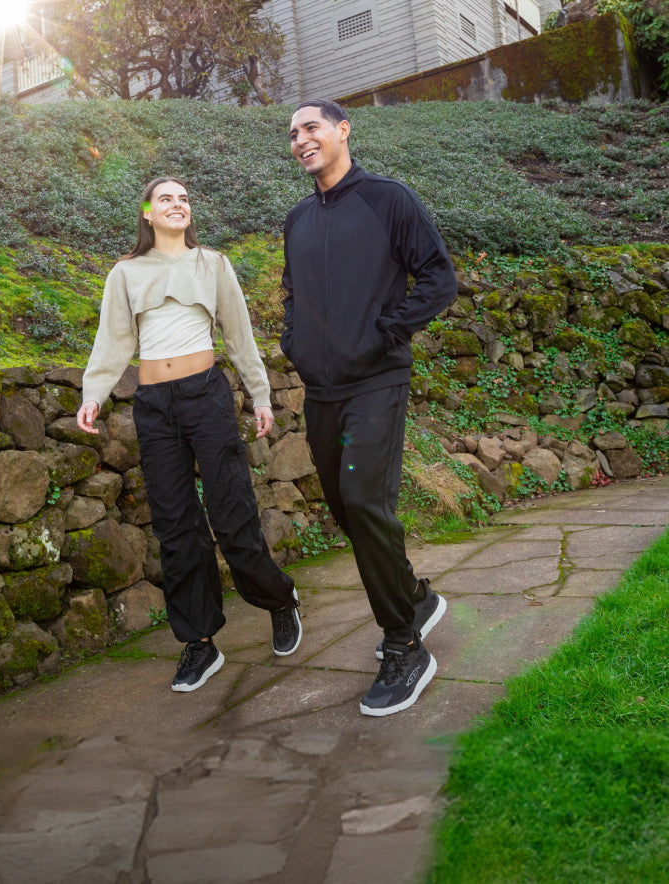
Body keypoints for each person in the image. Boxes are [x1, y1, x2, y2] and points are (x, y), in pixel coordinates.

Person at [77, 176, 301, 693]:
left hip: (205, 397)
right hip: (154, 406)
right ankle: (199, 642)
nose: (177, 205)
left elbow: (239, 335)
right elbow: (113, 341)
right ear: (147, 213)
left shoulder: (212, 264)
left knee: (232, 511)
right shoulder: (126, 272)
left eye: (183, 199)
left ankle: (279, 599)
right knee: (175, 525)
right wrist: (94, 394)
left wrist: (260, 394)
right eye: (165, 199)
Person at [282, 99, 458, 717]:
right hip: (322, 389)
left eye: (311, 127)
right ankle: (414, 596)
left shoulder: (389, 199)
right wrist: (294, 341)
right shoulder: (298, 219)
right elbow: (292, 293)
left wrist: (388, 331)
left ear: (342, 130)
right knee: (346, 510)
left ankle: (404, 644)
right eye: (293, 133)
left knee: (363, 500)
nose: (301, 139)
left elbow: (438, 278)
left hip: (377, 380)